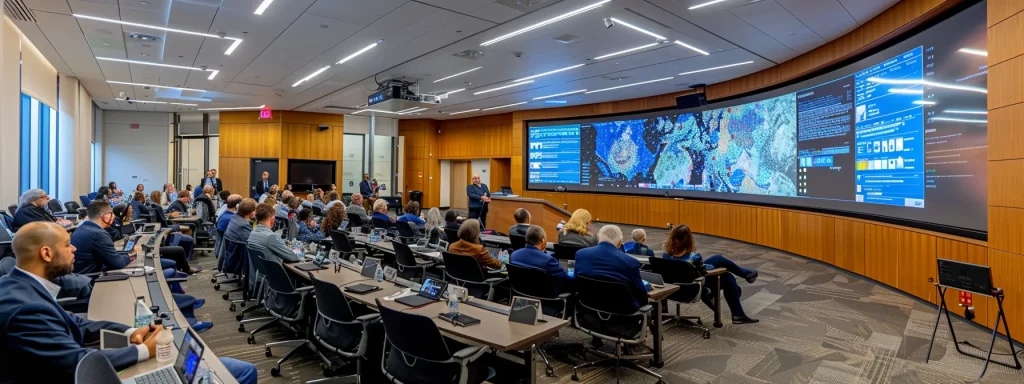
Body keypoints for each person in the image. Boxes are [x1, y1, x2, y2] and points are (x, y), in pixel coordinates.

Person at [0, 221, 259, 384]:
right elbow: (76, 361)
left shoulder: (21, 286)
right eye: (68, 245)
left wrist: (129, 330)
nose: (74, 249)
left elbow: (74, 322)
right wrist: (147, 351)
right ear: (46, 253)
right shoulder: (25, 309)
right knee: (241, 372)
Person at [663, 225, 759, 324]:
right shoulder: (694, 258)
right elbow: (710, 269)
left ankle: (746, 276)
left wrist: (702, 266)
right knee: (726, 274)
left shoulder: (666, 256)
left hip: (672, 291)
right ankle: (738, 312)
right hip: (692, 290)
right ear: (688, 240)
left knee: (723, 269)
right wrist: (704, 266)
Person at [574, 225, 650, 311]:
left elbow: (576, 280)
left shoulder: (581, 254)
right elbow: (641, 293)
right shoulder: (631, 262)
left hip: (588, 308)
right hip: (623, 312)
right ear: (619, 243)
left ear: (598, 238)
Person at [69, 201, 143, 274]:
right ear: (106, 215)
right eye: (111, 213)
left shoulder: (81, 228)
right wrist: (134, 254)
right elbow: (119, 264)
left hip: (82, 275)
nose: (113, 216)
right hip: (92, 279)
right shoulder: (99, 234)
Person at [511, 225, 572, 291]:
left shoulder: (514, 255)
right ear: (542, 240)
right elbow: (567, 281)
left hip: (520, 292)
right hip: (546, 297)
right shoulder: (548, 260)